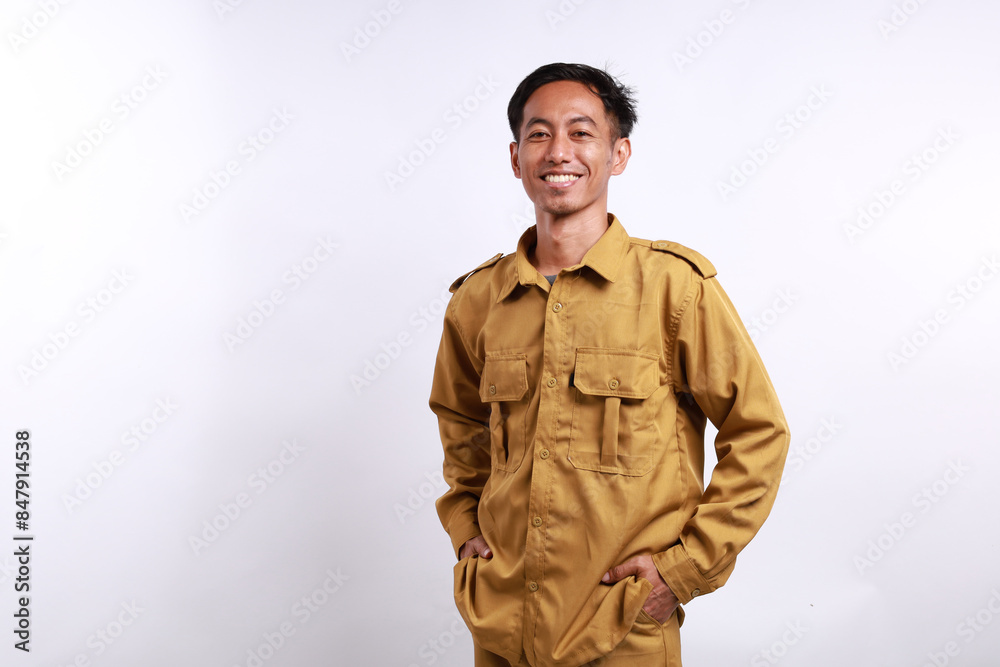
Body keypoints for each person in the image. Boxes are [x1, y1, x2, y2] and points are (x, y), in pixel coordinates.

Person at [428, 62, 790, 667]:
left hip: (622, 628)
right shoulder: (477, 300)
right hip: (502, 625)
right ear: (515, 158)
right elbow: (461, 427)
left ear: (618, 153)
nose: (558, 152)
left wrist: (685, 568)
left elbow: (759, 433)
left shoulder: (676, 289)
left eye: (581, 132)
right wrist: (466, 529)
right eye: (539, 134)